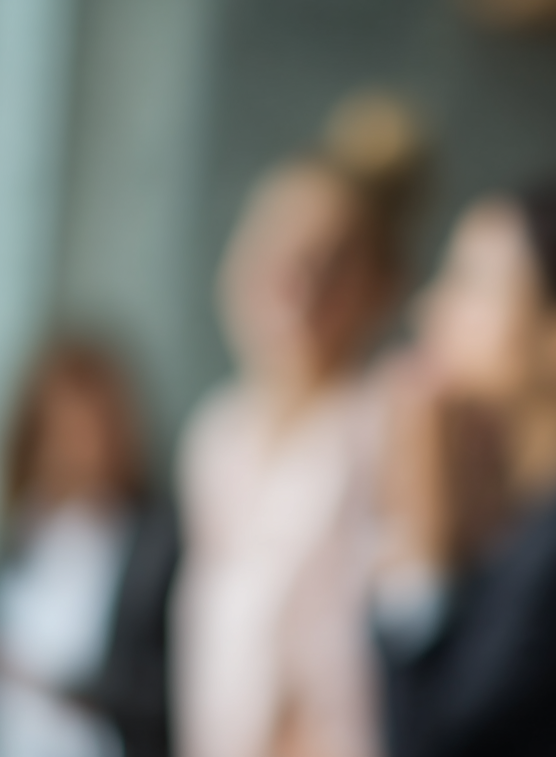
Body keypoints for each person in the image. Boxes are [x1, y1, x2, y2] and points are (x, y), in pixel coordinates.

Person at [374, 183, 556, 757]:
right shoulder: (541, 503)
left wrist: (419, 543)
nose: (429, 309)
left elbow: (435, 741)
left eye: (472, 285)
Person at [171, 92, 423, 757]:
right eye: (276, 246)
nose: (296, 283)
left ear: (380, 286)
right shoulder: (215, 437)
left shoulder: (392, 422)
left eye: (331, 262)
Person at [0, 339, 178, 757]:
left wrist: (66, 688)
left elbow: (174, 688)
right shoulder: (15, 545)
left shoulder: (157, 543)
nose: (88, 447)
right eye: (69, 428)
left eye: (99, 425)